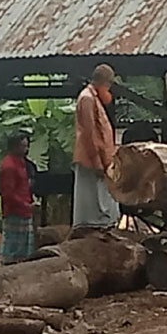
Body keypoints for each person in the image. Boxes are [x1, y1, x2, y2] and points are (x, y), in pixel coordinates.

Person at [72, 64, 120, 231]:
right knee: (93, 201)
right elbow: (89, 133)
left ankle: (102, 225)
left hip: (100, 159)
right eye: (108, 85)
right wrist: (97, 161)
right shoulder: (87, 98)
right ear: (102, 82)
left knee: (103, 199)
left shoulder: (94, 98)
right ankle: (93, 228)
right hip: (90, 160)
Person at [0, 132, 34, 263]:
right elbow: (8, 193)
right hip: (15, 210)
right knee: (13, 247)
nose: (26, 149)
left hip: (24, 209)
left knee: (23, 247)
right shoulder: (9, 166)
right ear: (14, 147)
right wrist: (24, 205)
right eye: (23, 146)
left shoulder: (21, 163)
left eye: (26, 146)